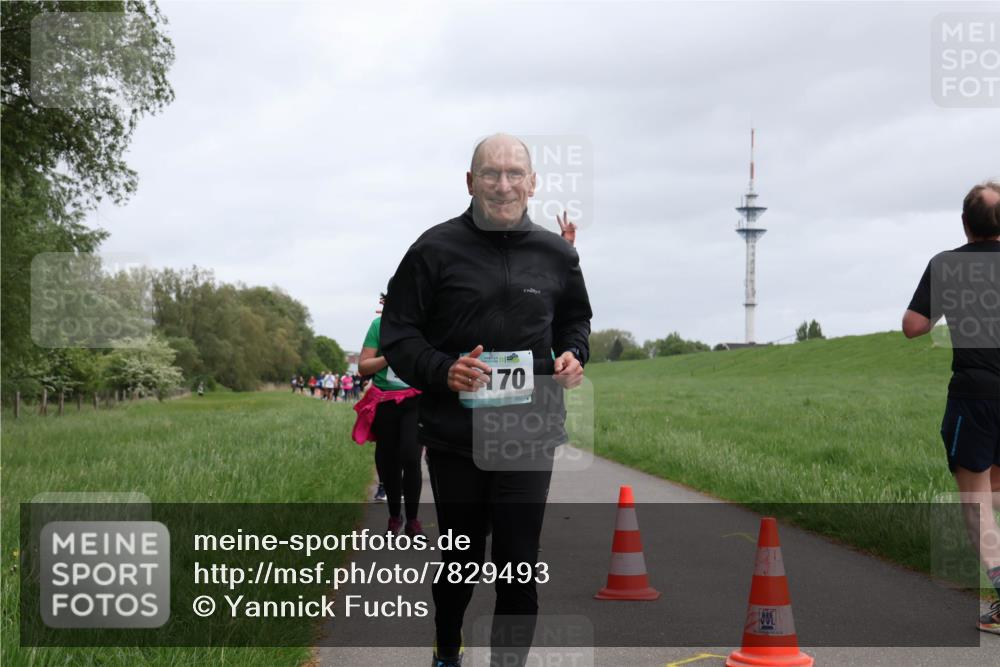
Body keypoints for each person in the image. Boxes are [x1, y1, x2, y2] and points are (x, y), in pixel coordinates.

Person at [381, 134, 591, 667]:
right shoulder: (433, 250)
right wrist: (443, 370)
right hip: (457, 437)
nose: (503, 185)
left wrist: (573, 354)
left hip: (530, 434)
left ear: (532, 182)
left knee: (518, 564)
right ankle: (447, 649)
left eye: (514, 173)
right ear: (470, 182)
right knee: (463, 558)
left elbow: (575, 319)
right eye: (491, 174)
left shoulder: (557, 254)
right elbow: (399, 335)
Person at [903, 180, 1000, 635]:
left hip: (975, 396)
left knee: (976, 501)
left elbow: (914, 326)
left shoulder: (948, 264)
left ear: (965, 224)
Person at [358, 291, 424, 535]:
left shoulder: (424, 325)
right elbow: (363, 366)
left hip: (414, 399)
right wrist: (389, 357)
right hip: (385, 400)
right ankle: (395, 517)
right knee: (389, 461)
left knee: (410, 456)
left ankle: (413, 521)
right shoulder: (379, 326)